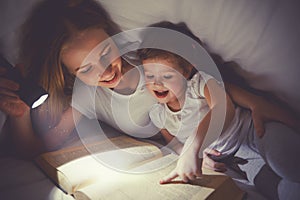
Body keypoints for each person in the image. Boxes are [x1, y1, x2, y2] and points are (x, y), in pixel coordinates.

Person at [0, 0, 297, 172]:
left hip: (235, 129)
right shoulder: (86, 97)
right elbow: (37, 148)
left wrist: (255, 101)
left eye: (105, 51)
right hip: (215, 154)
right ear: (71, 75)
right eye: (87, 68)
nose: (105, 70)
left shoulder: (148, 61)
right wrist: (19, 115)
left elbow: (205, 84)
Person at [138, 21, 300, 199]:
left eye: (167, 75)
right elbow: (176, 144)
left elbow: (223, 108)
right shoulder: (159, 115)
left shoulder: (200, 84)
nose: (157, 83)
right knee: (282, 192)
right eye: (150, 75)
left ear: (186, 70)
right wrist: (196, 156)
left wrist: (193, 147)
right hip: (240, 162)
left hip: (255, 132)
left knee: (289, 164)